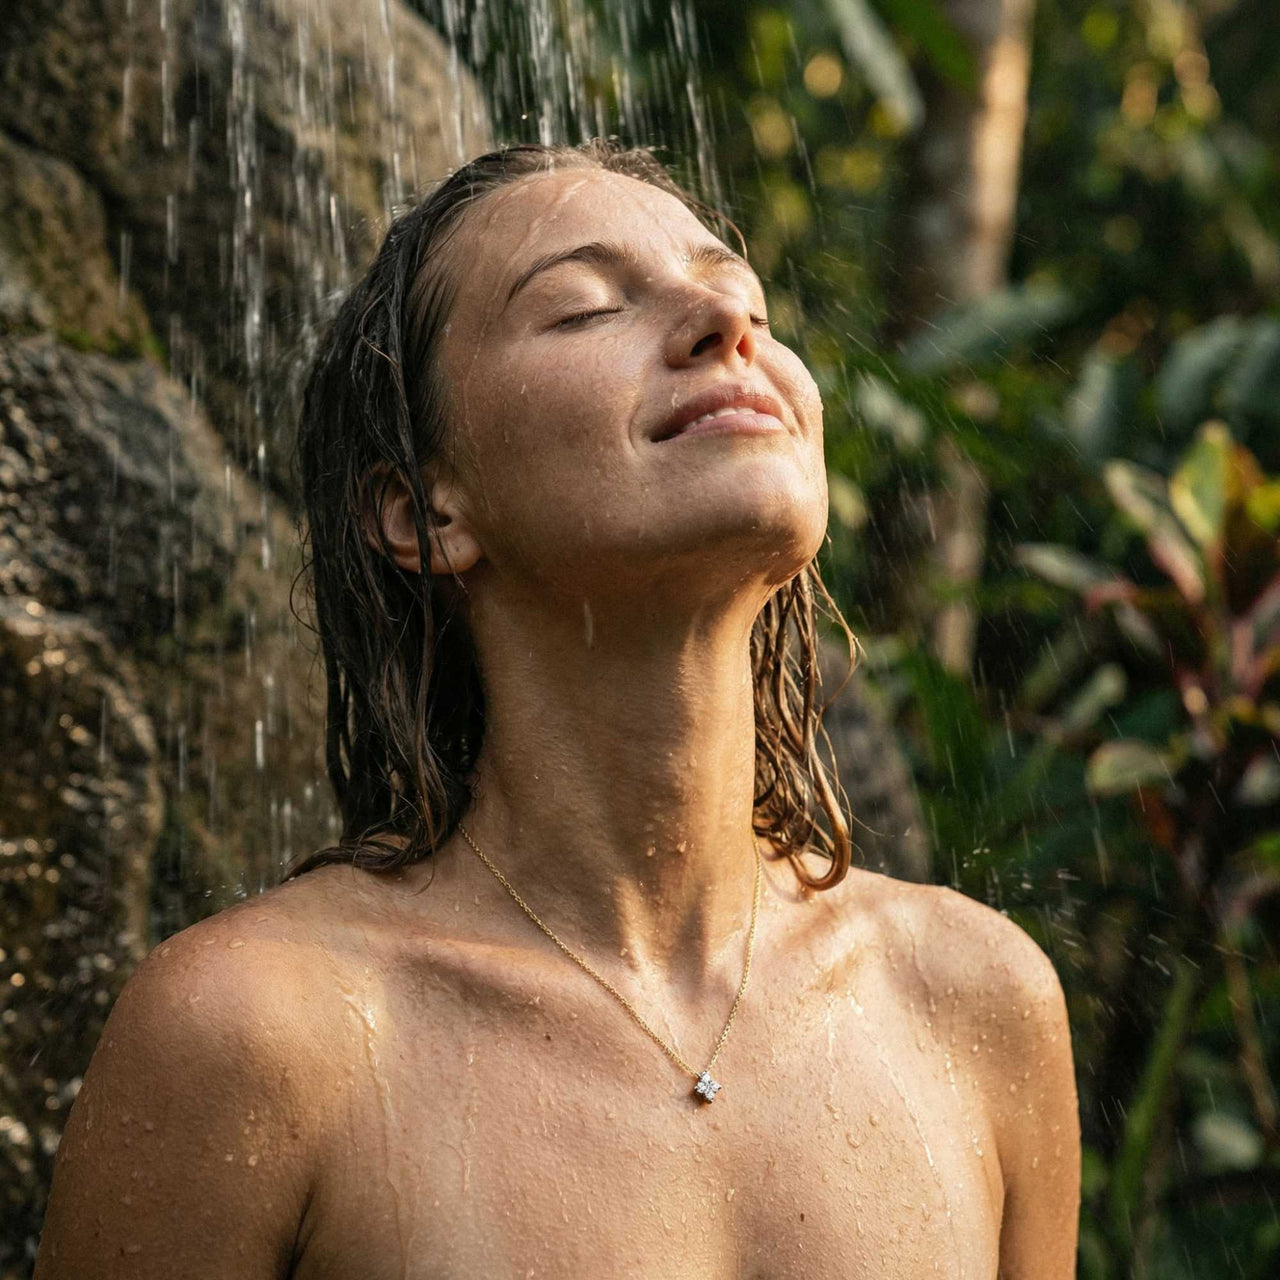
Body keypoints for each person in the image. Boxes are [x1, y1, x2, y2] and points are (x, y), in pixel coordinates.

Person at [35, 139, 1080, 1278]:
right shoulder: (264, 1037)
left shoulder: (975, 1000)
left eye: (746, 299)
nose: (721, 321)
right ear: (425, 513)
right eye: (582, 308)